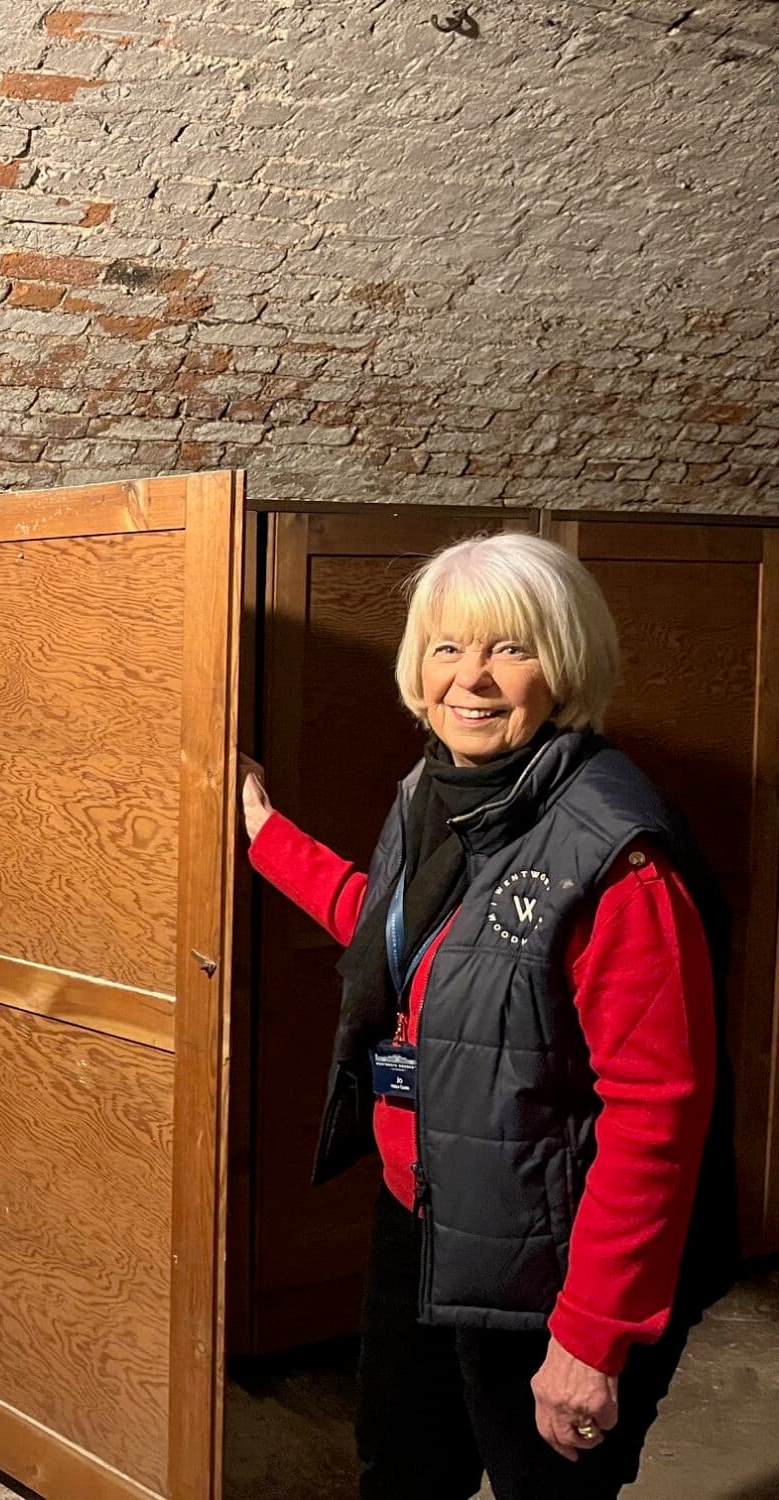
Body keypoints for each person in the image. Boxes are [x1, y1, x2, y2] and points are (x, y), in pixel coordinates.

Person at [240, 533, 736, 1500]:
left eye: (510, 648)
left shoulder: (618, 860)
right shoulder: (439, 792)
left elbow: (657, 1117)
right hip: (423, 1210)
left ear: (565, 666)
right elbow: (401, 935)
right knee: (400, 1468)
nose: (472, 678)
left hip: (544, 1258)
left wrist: (590, 1340)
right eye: (446, 648)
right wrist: (264, 835)